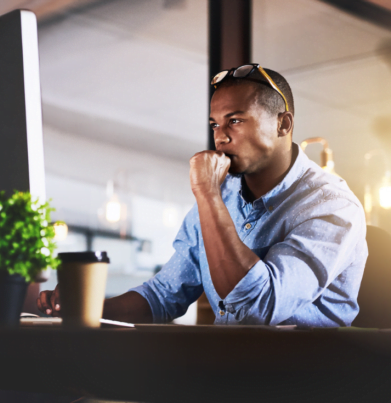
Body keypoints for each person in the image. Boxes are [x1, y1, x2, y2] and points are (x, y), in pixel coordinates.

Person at [37, 64, 367, 327]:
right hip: (224, 374)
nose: (219, 138)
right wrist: (85, 310)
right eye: (214, 124)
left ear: (283, 124)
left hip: (302, 381)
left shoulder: (331, 205)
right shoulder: (222, 193)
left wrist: (207, 195)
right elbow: (163, 296)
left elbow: (258, 307)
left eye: (234, 121)